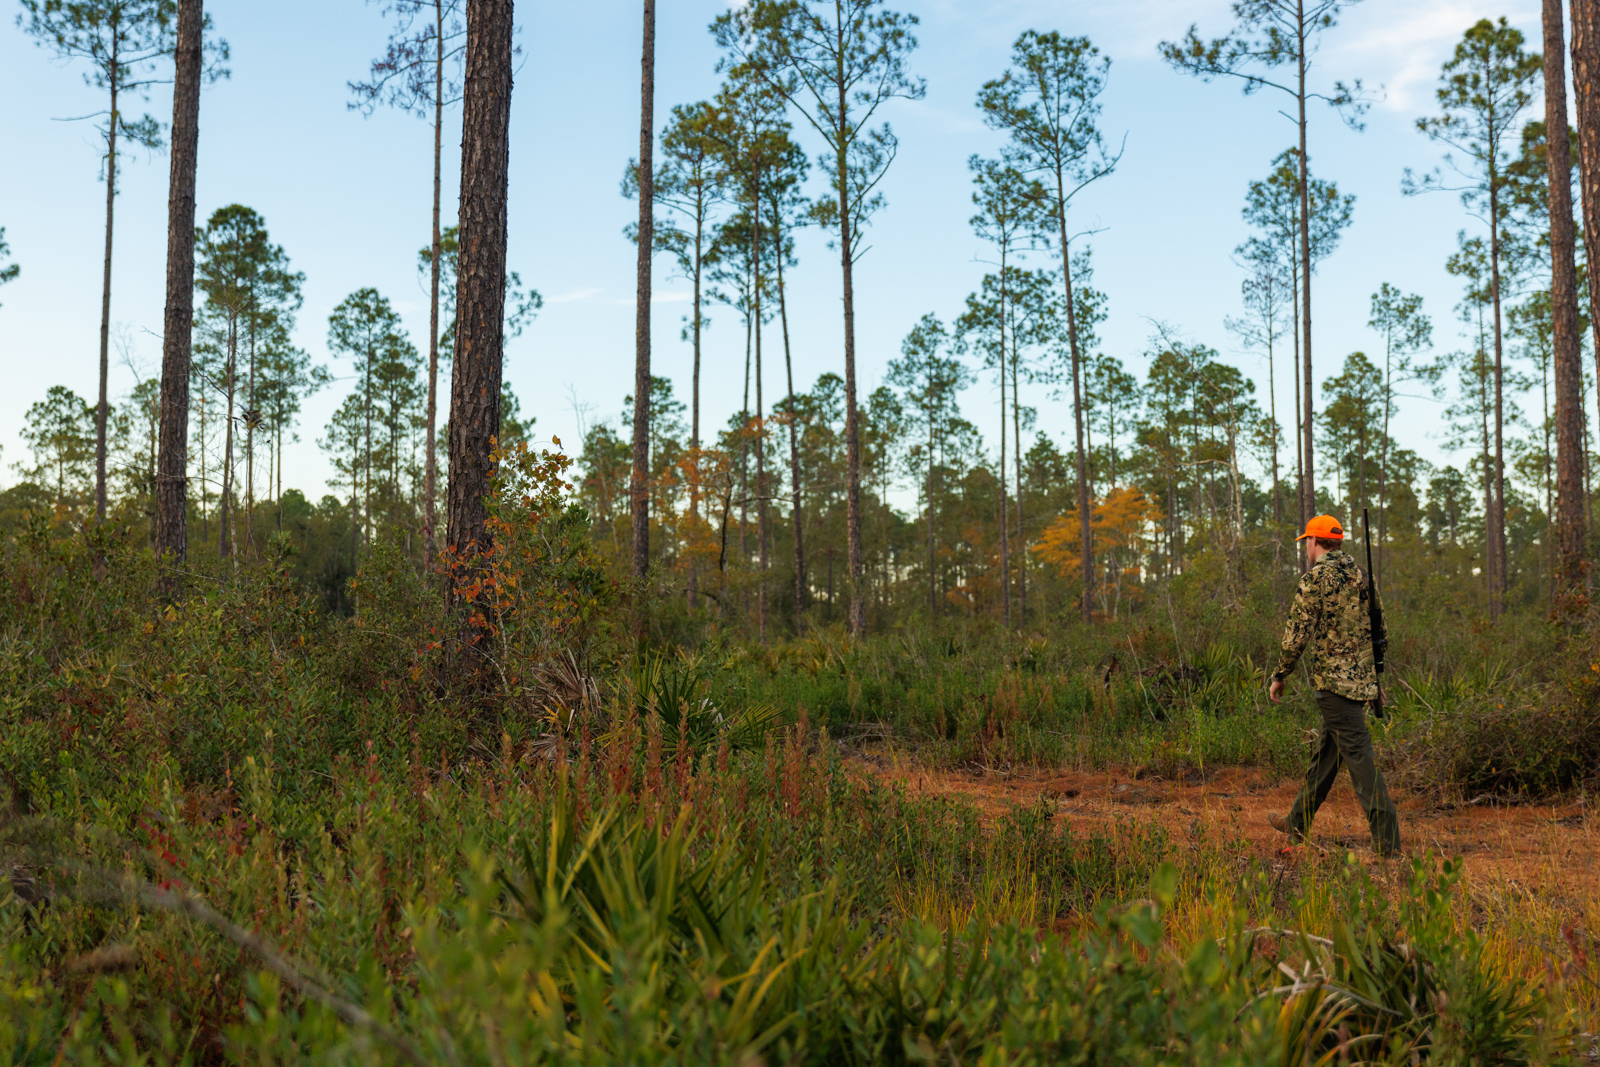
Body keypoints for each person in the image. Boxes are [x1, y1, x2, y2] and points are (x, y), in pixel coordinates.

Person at [1266, 514, 1400, 856]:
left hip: (1334, 688)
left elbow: (1297, 634)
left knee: (1361, 761)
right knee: (1327, 756)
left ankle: (1389, 847)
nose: (1306, 548)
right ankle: (1296, 822)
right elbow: (1379, 632)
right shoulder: (1362, 576)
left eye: (1306, 542)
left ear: (1314, 541)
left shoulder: (1316, 578)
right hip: (1358, 686)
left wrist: (1280, 675)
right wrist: (1373, 679)